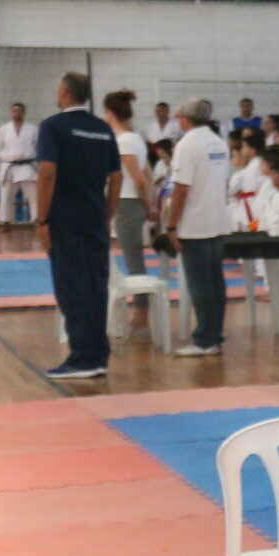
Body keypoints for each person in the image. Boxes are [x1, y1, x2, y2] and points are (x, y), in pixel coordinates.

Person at [30, 73, 123, 381]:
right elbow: (116, 177)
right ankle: (97, 355)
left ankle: (83, 357)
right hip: (95, 218)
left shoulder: (53, 126)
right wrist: (107, 214)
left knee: (72, 288)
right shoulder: (102, 129)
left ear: (66, 92)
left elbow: (47, 173)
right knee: (96, 286)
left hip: (65, 219)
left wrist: (42, 219)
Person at [163, 100, 233, 357]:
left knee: (200, 284)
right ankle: (214, 334)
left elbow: (181, 188)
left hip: (195, 222)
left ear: (184, 118)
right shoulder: (218, 142)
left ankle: (205, 339)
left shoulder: (187, 145)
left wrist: (171, 225)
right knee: (215, 281)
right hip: (217, 219)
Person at [103, 91, 157, 341]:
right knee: (133, 256)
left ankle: (141, 313)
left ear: (110, 113)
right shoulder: (135, 138)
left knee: (133, 258)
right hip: (131, 203)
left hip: (128, 203)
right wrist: (150, 204)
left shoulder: (124, 141)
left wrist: (149, 206)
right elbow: (148, 177)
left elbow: (138, 179)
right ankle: (140, 311)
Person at [0, 103, 38, 225]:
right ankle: (5, 221)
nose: (16, 113)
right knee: (6, 196)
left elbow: (38, 146)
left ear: (24, 113)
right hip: (9, 166)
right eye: (13, 111)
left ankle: (37, 219)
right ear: (10, 113)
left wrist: (28, 156)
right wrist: (8, 157)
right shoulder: (3, 129)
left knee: (33, 196)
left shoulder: (33, 129)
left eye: (18, 111)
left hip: (27, 166)